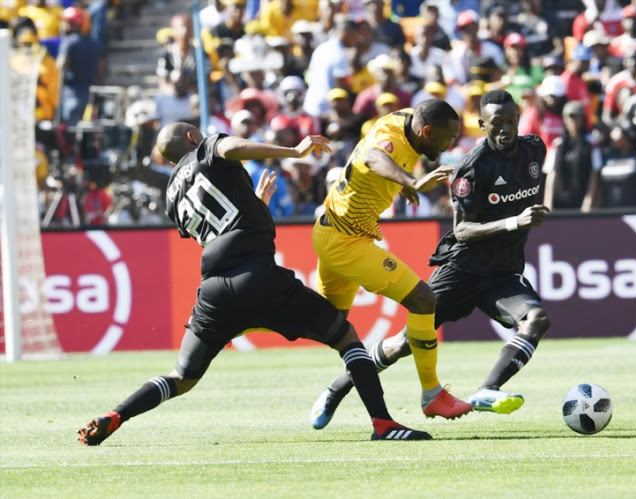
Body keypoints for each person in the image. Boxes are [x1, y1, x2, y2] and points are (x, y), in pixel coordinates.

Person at [78, 123, 433, 445]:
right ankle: (383, 423)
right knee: (347, 337)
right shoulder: (207, 149)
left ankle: (117, 414)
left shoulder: (172, 196)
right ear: (191, 139)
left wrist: (257, 205)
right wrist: (293, 152)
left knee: (181, 377)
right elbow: (229, 149)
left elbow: (223, 226)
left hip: (214, 290)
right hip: (258, 277)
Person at [309, 90, 551, 430]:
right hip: (462, 269)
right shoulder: (471, 167)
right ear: (482, 125)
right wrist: (515, 221)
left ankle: (487, 390)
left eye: (512, 121)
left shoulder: (535, 150)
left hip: (504, 271)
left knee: (537, 319)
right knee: (405, 341)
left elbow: (420, 120)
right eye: (498, 123)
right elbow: (463, 230)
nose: (506, 129)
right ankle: (338, 388)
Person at [311, 99, 473, 425]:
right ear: (427, 131)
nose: (451, 144)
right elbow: (373, 156)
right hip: (347, 242)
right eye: (448, 138)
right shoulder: (393, 137)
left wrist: (400, 183)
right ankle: (432, 394)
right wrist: (411, 182)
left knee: (331, 329)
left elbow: (382, 159)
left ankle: (335, 389)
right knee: (424, 300)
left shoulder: (406, 122)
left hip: (332, 232)